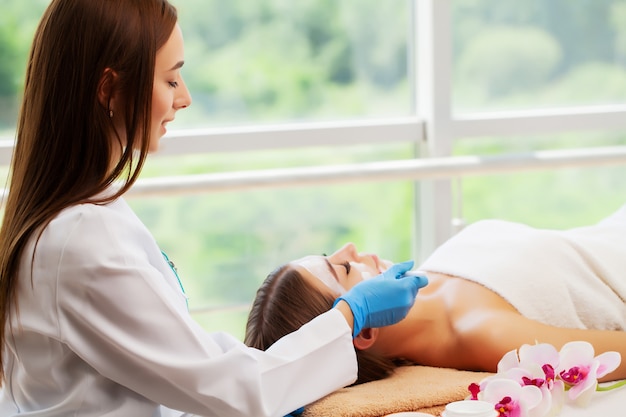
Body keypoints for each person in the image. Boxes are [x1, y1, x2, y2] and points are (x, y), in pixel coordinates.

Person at [0, 1, 429, 416]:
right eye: (170, 81)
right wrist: (351, 314)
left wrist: (297, 364)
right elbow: (231, 390)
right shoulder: (81, 240)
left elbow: (191, 362)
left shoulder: (82, 216)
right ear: (109, 89)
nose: (184, 98)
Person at [245, 204, 626, 386]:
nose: (348, 248)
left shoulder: (431, 272)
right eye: (343, 269)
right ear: (363, 331)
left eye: (332, 255)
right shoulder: (484, 334)